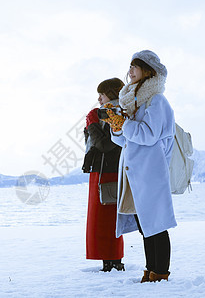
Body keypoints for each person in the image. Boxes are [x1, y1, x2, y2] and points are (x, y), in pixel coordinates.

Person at [104, 50, 177, 282]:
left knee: (156, 222)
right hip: (134, 170)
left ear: (148, 71)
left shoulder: (157, 100)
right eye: (130, 66)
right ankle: (150, 269)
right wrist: (116, 127)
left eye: (135, 66)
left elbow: (148, 135)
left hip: (151, 170)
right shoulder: (133, 99)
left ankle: (160, 272)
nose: (130, 71)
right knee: (144, 222)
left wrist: (124, 124)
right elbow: (125, 140)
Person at [82, 78, 125, 272]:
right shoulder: (104, 112)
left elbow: (107, 145)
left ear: (112, 93)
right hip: (100, 171)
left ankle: (114, 261)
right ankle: (108, 260)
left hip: (109, 171)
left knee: (107, 219)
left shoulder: (116, 112)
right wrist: (91, 125)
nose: (99, 98)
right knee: (100, 220)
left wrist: (92, 124)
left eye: (102, 93)